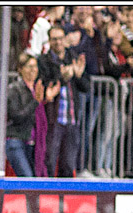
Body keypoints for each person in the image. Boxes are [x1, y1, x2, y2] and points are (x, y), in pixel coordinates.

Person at [41, 25, 89, 177]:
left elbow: (86, 87)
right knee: (49, 161)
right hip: (53, 119)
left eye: (60, 38)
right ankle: (47, 190)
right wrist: (62, 78)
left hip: (72, 119)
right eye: (54, 39)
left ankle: (65, 191)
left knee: (68, 164)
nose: (58, 42)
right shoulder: (43, 61)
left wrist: (78, 76)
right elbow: (45, 84)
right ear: (49, 41)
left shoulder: (73, 58)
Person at [5, 52, 40, 177]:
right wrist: (35, 102)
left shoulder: (37, 88)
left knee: (34, 180)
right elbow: (16, 116)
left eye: (35, 66)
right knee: (26, 178)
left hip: (33, 142)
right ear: (20, 69)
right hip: (16, 140)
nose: (33, 70)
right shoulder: (14, 89)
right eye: (29, 66)